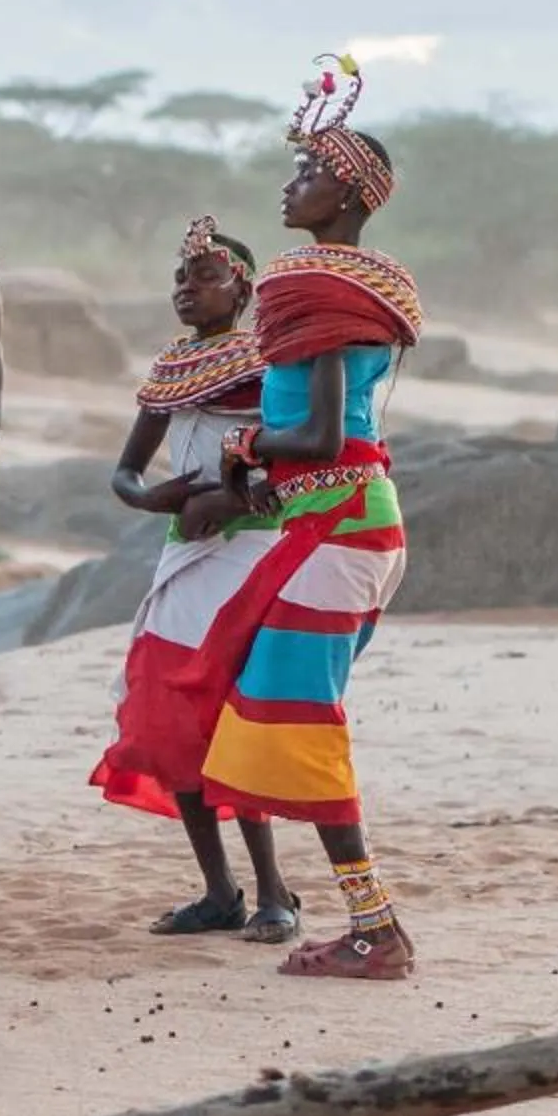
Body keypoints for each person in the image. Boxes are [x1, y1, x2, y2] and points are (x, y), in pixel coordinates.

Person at [195, 56, 422, 978]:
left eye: (306, 174)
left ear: (346, 192)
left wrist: (250, 450)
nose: (289, 187)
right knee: (282, 710)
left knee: (300, 719)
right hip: (346, 519)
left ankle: (376, 930)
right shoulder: (352, 285)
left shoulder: (319, 289)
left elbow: (321, 429)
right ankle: (357, 919)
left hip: (341, 523)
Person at [86, 217, 298, 943]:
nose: (187, 288)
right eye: (180, 278)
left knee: (233, 716)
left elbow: (294, 464)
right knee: (166, 719)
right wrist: (151, 499)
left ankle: (274, 893)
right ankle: (219, 892)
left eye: (204, 276)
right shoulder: (172, 367)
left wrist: (230, 496)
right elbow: (126, 468)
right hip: (186, 552)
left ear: (241, 287)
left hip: (251, 551)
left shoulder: (272, 364)